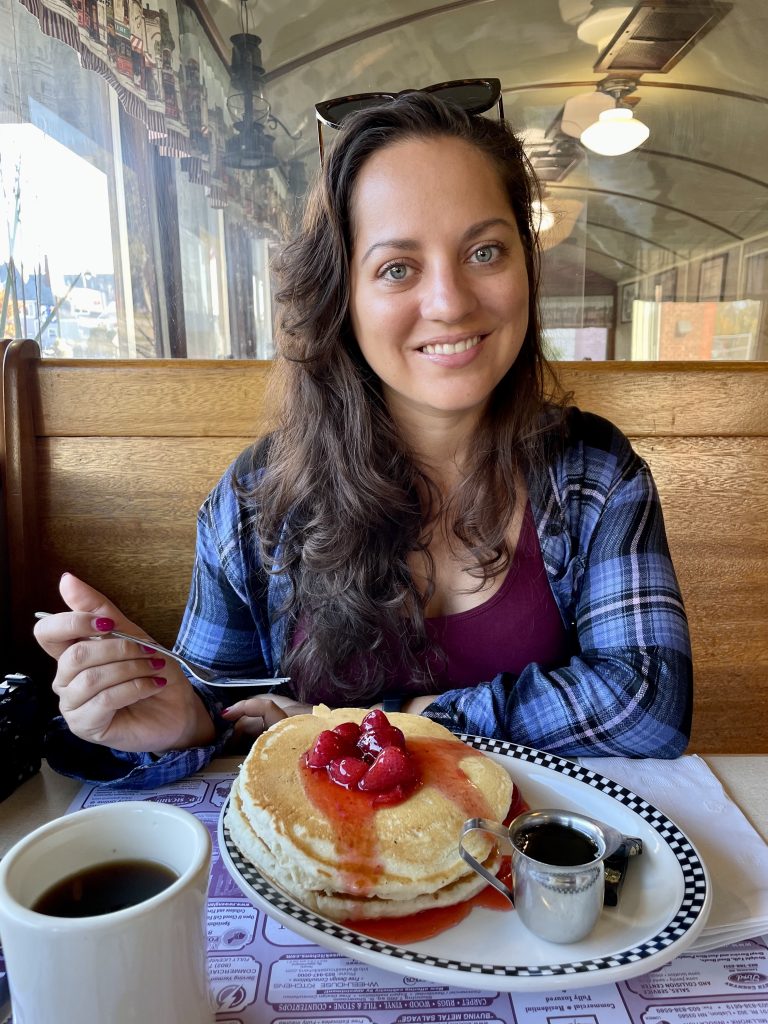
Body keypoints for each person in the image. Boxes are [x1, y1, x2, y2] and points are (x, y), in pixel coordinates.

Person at [35, 89, 692, 788]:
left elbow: (649, 702)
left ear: (526, 268)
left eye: (485, 250)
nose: (450, 302)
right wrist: (178, 723)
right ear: (340, 296)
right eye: (397, 268)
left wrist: (401, 722)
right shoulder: (254, 504)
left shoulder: (594, 473)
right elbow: (225, 711)